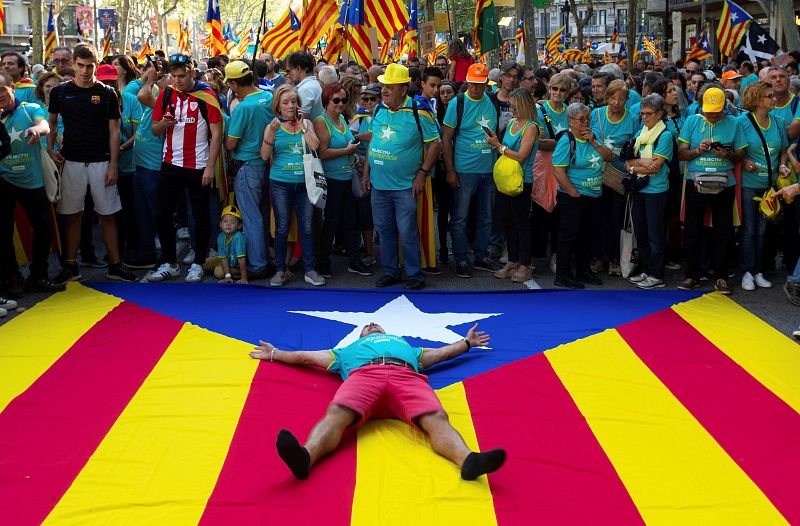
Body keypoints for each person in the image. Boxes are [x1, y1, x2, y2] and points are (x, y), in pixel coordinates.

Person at [249, 322, 506, 482]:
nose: (372, 325)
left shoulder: (406, 347)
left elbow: (440, 354)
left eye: (376, 325)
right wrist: (275, 354)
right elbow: (305, 357)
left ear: (386, 333)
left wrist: (466, 343)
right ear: (360, 336)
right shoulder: (345, 351)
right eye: (367, 326)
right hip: (365, 376)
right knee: (337, 413)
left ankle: (468, 460)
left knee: (436, 417)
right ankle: (305, 457)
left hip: (406, 376)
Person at [47, 44, 137, 284]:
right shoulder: (59, 92)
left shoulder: (108, 93)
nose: (85, 71)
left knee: (108, 215)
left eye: (90, 66)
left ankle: (115, 266)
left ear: (96, 65)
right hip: (71, 161)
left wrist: (114, 165)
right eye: (81, 66)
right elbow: (52, 123)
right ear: (73, 64)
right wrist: (50, 149)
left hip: (102, 162)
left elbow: (114, 132)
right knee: (72, 216)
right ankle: (70, 266)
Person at [362, 63, 442, 290]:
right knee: (384, 231)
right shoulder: (379, 109)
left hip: (405, 186)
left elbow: (436, 145)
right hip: (379, 185)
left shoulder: (419, 111)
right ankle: (391, 271)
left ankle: (414, 274)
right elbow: (374, 142)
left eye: (390, 86)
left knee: (407, 232)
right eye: (383, 86)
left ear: (404, 89)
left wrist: (422, 173)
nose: (384, 90)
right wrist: (366, 173)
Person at [146, 53, 224, 283]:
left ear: (192, 72)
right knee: (162, 213)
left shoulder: (207, 95)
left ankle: (199, 262)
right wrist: (163, 124)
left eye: (181, 76)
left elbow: (217, 133)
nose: (177, 80)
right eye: (174, 76)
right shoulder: (166, 94)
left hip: (198, 165)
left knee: (200, 215)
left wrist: (210, 167)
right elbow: (154, 129)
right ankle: (170, 263)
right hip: (170, 163)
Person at [0, 70, 65, 297]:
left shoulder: (29, 108)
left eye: (2, 89)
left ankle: (38, 275)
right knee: (3, 232)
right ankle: (12, 276)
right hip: (4, 180)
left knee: (44, 227)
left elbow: (44, 124)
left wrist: (37, 130)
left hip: (33, 181)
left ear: (13, 89)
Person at [677, 87, 746, 294]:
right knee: (692, 230)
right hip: (695, 181)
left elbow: (741, 154)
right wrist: (698, 150)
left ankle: (721, 277)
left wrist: (727, 154)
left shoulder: (734, 122)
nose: (712, 115)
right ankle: (692, 275)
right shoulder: (692, 121)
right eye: (708, 110)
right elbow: (680, 154)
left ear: (724, 106)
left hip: (724, 183)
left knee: (723, 231)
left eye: (716, 111)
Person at [260, 85, 325, 287]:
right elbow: (264, 156)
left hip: (305, 184)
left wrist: (303, 126)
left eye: (294, 101)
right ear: (278, 106)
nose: (290, 106)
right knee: (282, 228)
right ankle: (280, 270)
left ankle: (310, 270)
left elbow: (315, 146)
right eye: (285, 102)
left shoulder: (306, 123)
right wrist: (271, 134)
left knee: (306, 227)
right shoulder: (272, 126)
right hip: (281, 183)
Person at [442, 63, 502, 279]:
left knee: (486, 217)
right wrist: (450, 170)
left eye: (480, 84)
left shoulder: (492, 100)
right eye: (472, 84)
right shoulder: (457, 103)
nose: (476, 88)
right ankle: (460, 258)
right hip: (465, 170)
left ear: (487, 84)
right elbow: (446, 139)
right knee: (460, 217)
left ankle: (481, 257)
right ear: (467, 82)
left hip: (489, 169)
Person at [314, 82, 372, 278]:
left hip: (347, 177)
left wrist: (352, 154)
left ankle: (354, 261)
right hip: (332, 179)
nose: (340, 104)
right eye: (336, 100)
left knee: (350, 221)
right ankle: (323, 263)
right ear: (326, 100)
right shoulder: (321, 121)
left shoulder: (341, 119)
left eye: (344, 100)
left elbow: (346, 144)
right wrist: (347, 151)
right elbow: (322, 152)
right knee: (332, 221)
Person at [552, 102, 612, 289]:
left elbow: (608, 157)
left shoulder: (592, 137)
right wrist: (573, 192)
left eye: (588, 118)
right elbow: (558, 171)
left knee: (587, 235)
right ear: (570, 121)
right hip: (574, 197)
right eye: (581, 119)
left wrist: (594, 142)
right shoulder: (567, 141)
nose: (586, 122)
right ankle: (563, 274)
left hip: (594, 195)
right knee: (569, 235)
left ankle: (583, 270)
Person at [224, 60, 274, 280]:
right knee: (261, 215)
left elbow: (231, 143)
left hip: (248, 166)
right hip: (267, 163)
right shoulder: (268, 97)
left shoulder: (243, 107)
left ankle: (257, 264)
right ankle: (263, 259)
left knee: (252, 217)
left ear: (234, 84)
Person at [737, 81, 788, 291]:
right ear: (757, 99)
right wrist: (743, 161)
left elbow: (783, 150)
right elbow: (735, 151)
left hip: (770, 186)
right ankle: (747, 272)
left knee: (762, 229)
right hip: (749, 184)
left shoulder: (777, 122)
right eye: (769, 96)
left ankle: (758, 270)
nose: (774, 99)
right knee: (749, 229)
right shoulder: (742, 122)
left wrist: (782, 165)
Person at [486, 88, 540, 283]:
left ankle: (525, 263)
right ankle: (513, 260)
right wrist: (498, 143)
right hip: (506, 179)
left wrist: (498, 146)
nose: (511, 110)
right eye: (511, 106)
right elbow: (507, 150)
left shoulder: (531, 127)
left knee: (521, 223)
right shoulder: (511, 123)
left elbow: (521, 156)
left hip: (521, 180)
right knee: (508, 221)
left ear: (525, 106)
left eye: (515, 107)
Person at [624, 94, 673, 289]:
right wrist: (641, 163)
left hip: (656, 191)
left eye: (649, 114)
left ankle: (656, 274)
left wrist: (633, 167)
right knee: (641, 232)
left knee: (655, 233)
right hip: (639, 189)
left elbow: (656, 167)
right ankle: (646, 269)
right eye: (642, 113)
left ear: (659, 114)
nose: (644, 117)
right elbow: (627, 160)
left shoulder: (665, 135)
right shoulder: (641, 132)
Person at [591, 79, 638, 277]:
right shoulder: (596, 114)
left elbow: (635, 149)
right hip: (594, 173)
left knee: (616, 218)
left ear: (627, 100)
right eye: (612, 98)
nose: (616, 103)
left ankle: (614, 258)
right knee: (596, 218)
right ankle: (597, 256)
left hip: (618, 176)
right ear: (607, 97)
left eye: (621, 99)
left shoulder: (632, 119)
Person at [130, 57, 168, 270]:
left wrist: (152, 78)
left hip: (154, 168)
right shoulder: (156, 95)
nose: (160, 78)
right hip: (141, 166)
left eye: (165, 76)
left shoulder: (168, 101)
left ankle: (167, 256)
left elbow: (142, 94)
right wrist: (150, 77)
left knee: (157, 213)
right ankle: (147, 255)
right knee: (142, 213)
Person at [214, 205, 248, 284]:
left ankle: (238, 274)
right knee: (205, 264)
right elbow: (223, 258)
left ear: (239, 225)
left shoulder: (238, 237)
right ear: (220, 224)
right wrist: (227, 276)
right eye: (225, 221)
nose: (228, 224)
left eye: (232, 222)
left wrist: (244, 278)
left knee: (218, 272)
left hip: (237, 266)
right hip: (227, 262)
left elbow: (241, 259)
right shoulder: (220, 237)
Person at [286, 52, 323, 120]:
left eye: (289, 71)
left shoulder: (305, 89)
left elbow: (301, 120)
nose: (289, 75)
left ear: (298, 69)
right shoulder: (312, 84)